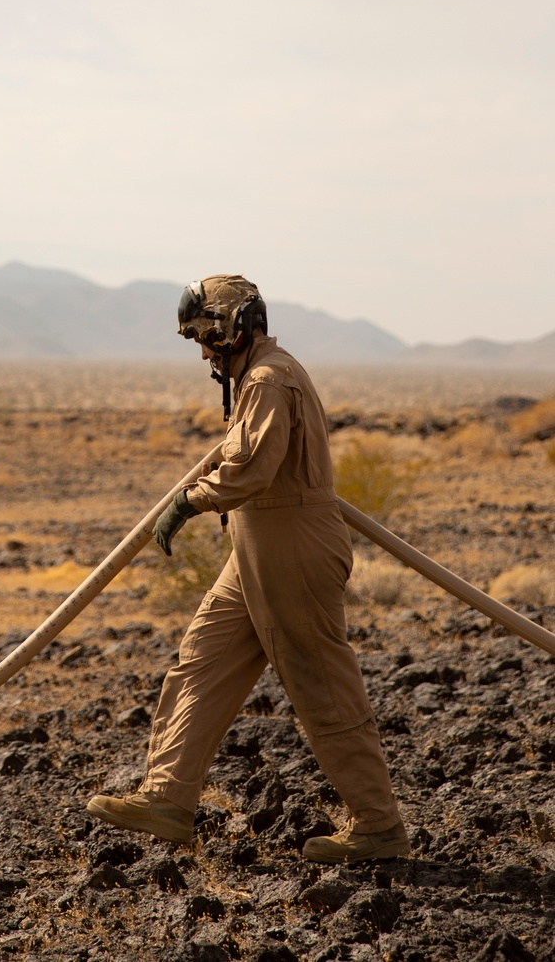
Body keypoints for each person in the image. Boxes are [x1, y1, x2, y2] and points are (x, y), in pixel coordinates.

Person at [87, 274, 409, 863]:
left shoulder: (267, 378)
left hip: (292, 546)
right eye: (196, 340)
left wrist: (189, 499)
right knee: (202, 661)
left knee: (320, 685)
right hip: (258, 545)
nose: (205, 352)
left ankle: (378, 825)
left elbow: (252, 471)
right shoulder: (255, 380)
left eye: (209, 335)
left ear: (237, 325)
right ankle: (167, 798)